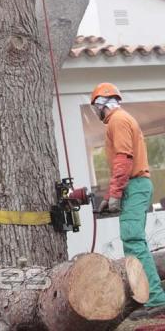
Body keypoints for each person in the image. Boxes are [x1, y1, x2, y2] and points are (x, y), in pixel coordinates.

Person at [91, 82, 165, 320]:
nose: (96, 113)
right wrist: (113, 194)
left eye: (96, 107)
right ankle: (147, 295)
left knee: (133, 240)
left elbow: (123, 159)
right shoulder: (120, 120)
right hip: (133, 186)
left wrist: (115, 194)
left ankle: (155, 299)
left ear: (102, 104)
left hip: (134, 184)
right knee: (132, 241)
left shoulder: (118, 120)